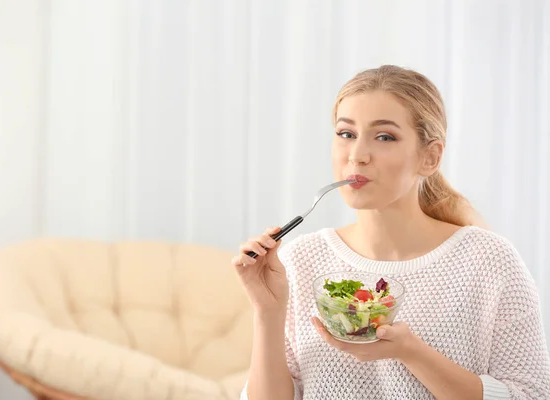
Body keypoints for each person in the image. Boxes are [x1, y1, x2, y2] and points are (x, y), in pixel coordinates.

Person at [232, 65, 550, 399]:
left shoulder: (489, 261)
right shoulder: (299, 260)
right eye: (346, 134)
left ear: (429, 157)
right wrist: (268, 313)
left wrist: (412, 353)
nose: (357, 155)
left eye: (384, 137)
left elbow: (531, 394)